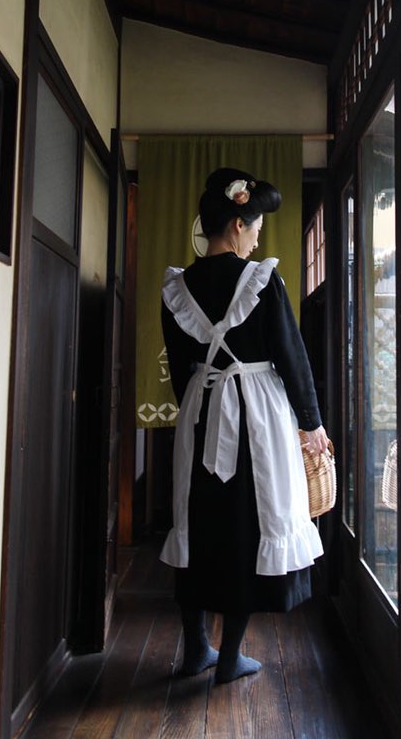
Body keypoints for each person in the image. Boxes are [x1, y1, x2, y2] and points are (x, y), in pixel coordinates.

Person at [159, 167, 329, 684]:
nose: (257, 238)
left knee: (194, 521)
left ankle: (196, 649)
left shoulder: (177, 288)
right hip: (256, 416)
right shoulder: (261, 280)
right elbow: (291, 355)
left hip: (200, 411)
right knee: (248, 525)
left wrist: (199, 405)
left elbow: (180, 368)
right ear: (237, 224)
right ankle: (229, 657)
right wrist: (311, 424)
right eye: (255, 227)